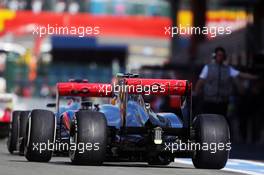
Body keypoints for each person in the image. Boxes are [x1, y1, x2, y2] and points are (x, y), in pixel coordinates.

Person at [194, 46, 257, 117]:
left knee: (222, 121)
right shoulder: (208, 68)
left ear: (224, 57)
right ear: (215, 56)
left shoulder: (228, 69)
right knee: (210, 120)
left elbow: (241, 74)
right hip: (209, 101)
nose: (220, 57)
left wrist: (255, 77)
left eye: (222, 55)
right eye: (218, 55)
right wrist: (196, 94)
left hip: (223, 102)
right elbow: (200, 82)